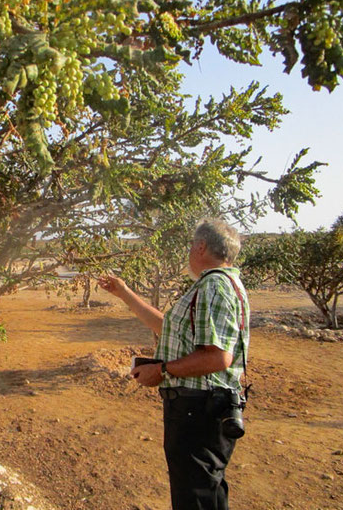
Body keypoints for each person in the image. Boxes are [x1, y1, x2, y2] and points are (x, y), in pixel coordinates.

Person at [98, 218, 250, 510]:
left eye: (193, 245)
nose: (190, 252)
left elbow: (219, 357)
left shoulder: (214, 286)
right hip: (203, 408)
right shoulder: (222, 284)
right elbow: (166, 326)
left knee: (194, 497)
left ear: (202, 246)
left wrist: (162, 370)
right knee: (207, 493)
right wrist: (123, 292)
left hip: (197, 410)